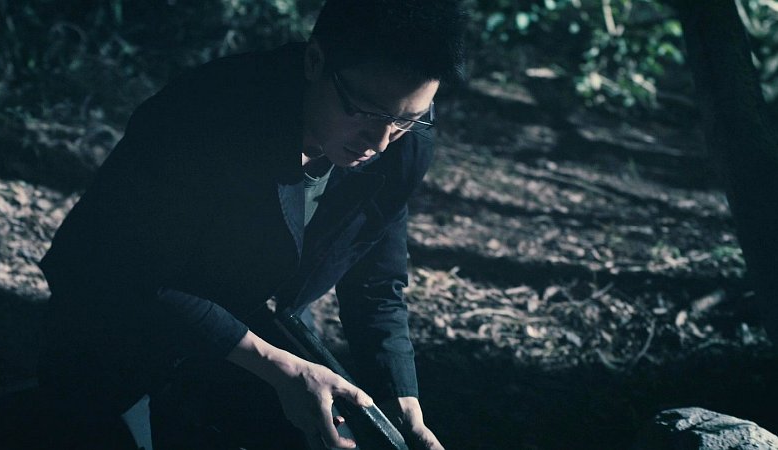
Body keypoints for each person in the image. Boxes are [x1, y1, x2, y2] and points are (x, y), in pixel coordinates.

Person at [36, 0, 467, 449]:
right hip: (118, 321)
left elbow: (375, 282)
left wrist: (401, 400)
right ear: (315, 61)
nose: (380, 142)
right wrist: (278, 366)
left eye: (406, 120)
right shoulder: (204, 114)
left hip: (251, 326)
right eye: (366, 112)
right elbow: (127, 272)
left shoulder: (403, 142)